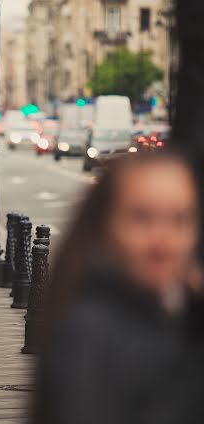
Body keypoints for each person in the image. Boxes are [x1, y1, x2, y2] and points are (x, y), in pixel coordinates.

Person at [36, 151, 204, 424]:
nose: (164, 241)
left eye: (180, 219)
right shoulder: (91, 335)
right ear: (105, 225)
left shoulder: (171, 309)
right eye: (142, 218)